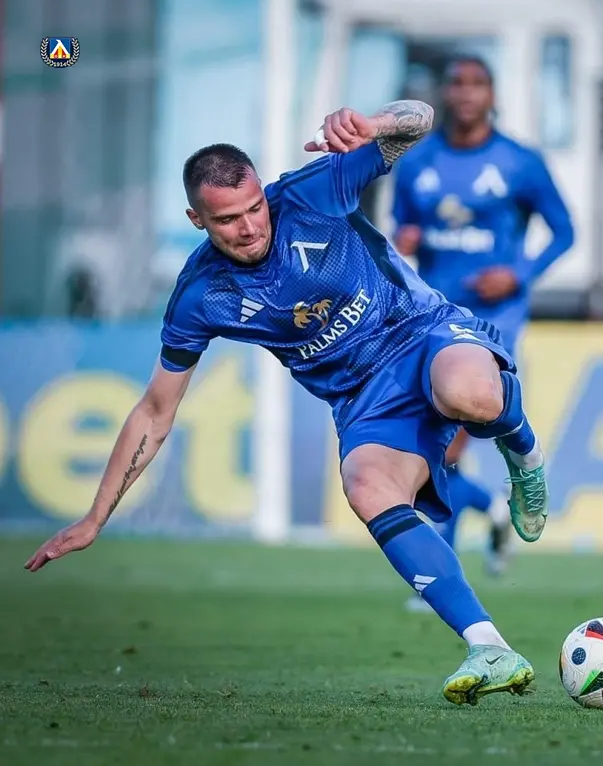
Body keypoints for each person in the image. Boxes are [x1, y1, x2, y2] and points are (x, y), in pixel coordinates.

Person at [23, 98, 551, 707]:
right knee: (366, 487)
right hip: (361, 396)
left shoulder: (309, 194)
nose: (250, 227)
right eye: (228, 220)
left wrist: (373, 125)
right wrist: (94, 518)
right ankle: (488, 646)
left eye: (254, 207)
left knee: (468, 393)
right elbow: (155, 411)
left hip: (420, 330)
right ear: (197, 219)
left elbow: (420, 119)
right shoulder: (201, 295)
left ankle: (525, 457)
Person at [391, 55, 574, 586]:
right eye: (457, 83)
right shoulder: (416, 162)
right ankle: (491, 510)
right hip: (430, 313)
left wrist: (518, 274)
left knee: (447, 439)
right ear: (445, 94)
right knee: (430, 444)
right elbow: (402, 226)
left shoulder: (520, 162)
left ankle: (439, 574)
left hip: (493, 318)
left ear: (492, 95)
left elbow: (564, 231)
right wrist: (405, 239)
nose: (467, 93)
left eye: (477, 84)